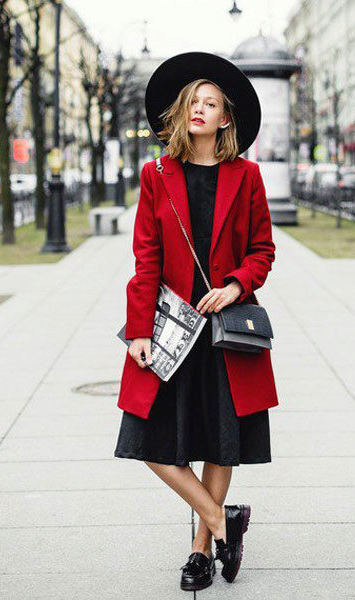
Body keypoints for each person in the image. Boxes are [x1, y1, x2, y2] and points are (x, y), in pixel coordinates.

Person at [114, 51, 279, 591]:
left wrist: (235, 285)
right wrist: (139, 330)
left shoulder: (247, 176)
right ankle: (224, 519)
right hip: (171, 328)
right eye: (193, 102)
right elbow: (146, 257)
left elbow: (262, 251)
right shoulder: (157, 175)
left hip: (225, 331)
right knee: (149, 442)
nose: (200, 110)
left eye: (210, 104)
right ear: (181, 113)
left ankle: (201, 552)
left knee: (220, 440)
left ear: (225, 119)